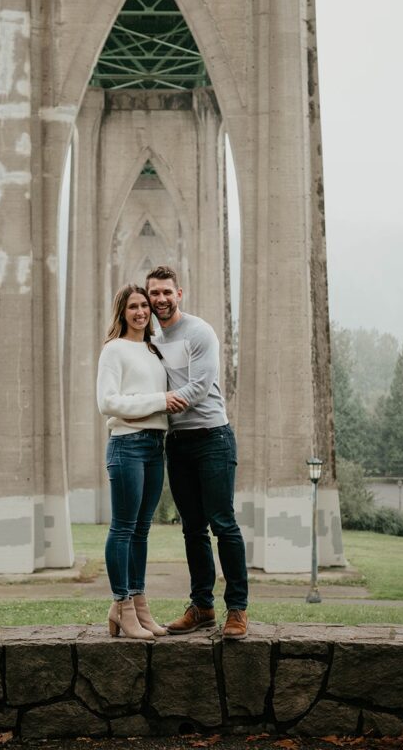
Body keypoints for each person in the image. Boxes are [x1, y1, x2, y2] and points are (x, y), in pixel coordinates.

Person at [145, 265, 249, 639]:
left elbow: (201, 387)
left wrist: (155, 403)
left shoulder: (200, 332)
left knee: (223, 523)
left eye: (166, 292)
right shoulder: (151, 338)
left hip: (212, 438)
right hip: (178, 444)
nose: (160, 299)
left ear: (179, 293)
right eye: (154, 293)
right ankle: (202, 607)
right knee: (192, 529)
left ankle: (237, 609)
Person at [97, 283, 188, 640]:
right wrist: (156, 401)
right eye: (133, 306)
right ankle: (121, 605)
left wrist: (155, 405)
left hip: (154, 444)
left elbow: (159, 401)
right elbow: (107, 402)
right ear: (122, 312)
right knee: (122, 527)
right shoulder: (113, 350)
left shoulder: (153, 351)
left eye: (144, 306)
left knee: (142, 529)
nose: (140, 312)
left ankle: (138, 603)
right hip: (126, 445)